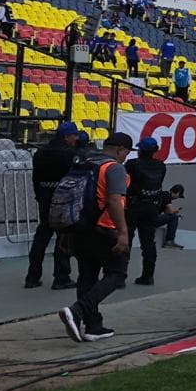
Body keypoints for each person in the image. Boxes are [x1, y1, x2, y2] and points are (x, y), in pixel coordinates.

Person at [59, 132, 133, 343]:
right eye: (126, 153)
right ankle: (77, 311)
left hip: (80, 227)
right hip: (105, 228)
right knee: (117, 274)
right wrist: (123, 232)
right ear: (120, 150)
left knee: (87, 275)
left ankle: (93, 326)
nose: (126, 157)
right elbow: (114, 200)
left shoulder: (84, 162)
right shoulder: (114, 168)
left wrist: (66, 231)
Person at [25, 122, 79, 290]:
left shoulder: (40, 153)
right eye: (74, 135)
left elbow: (35, 179)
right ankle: (61, 277)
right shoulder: (70, 154)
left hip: (44, 197)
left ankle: (32, 277)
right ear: (66, 136)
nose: (76, 138)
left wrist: (40, 196)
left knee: (41, 237)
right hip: (63, 200)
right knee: (64, 237)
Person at [124, 137, 167, 285]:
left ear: (140, 150)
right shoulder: (161, 166)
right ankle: (148, 275)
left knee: (125, 240)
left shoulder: (131, 165)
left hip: (134, 205)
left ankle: (119, 276)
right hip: (152, 207)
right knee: (149, 242)